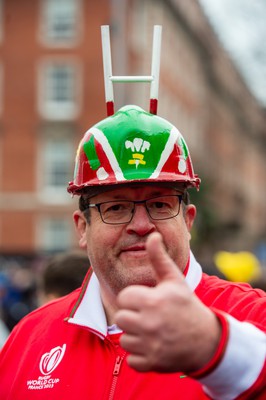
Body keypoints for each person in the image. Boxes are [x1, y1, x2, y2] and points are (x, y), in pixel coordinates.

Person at [0, 105, 265, 399]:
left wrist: (220, 350)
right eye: (116, 207)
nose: (141, 225)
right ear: (82, 229)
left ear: (188, 220)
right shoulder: (29, 337)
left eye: (160, 204)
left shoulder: (252, 316)